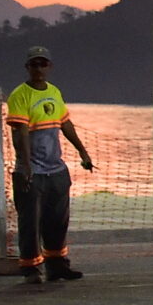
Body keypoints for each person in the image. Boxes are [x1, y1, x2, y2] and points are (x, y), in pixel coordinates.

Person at [6, 45, 95, 284]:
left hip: (56, 169)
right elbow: (21, 133)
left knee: (57, 219)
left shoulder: (54, 92)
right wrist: (25, 166)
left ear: (49, 67)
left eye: (42, 63)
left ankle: (57, 266)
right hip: (32, 171)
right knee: (30, 222)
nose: (38, 68)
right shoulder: (19, 95)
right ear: (27, 67)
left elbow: (65, 124)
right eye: (34, 64)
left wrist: (82, 152)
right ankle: (32, 269)